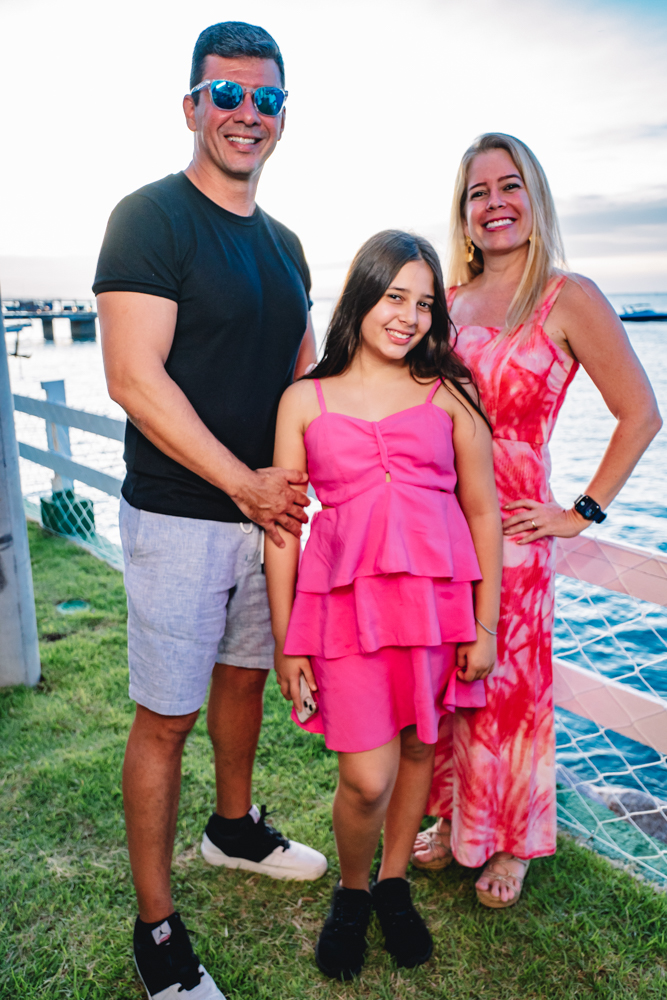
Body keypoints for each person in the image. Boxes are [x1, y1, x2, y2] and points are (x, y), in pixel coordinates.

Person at [94, 21, 327, 1000]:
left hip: (265, 518)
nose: (245, 113)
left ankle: (232, 829)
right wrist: (245, 481)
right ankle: (156, 929)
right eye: (226, 94)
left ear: (282, 117)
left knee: (243, 682)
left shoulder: (286, 245)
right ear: (192, 106)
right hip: (182, 515)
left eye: (264, 99)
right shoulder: (150, 218)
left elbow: (308, 375)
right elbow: (132, 376)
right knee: (166, 717)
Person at [412, 133, 662, 908]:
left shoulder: (567, 297)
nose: (494, 204)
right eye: (477, 192)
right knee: (448, 679)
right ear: (462, 212)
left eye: (508, 186)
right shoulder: (445, 302)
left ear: (534, 197)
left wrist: (580, 512)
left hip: (517, 534)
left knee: (508, 689)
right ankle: (452, 816)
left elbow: (640, 413)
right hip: (438, 527)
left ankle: (511, 840)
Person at [265, 230, 503, 980]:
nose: (409, 317)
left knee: (418, 750)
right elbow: (282, 529)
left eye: (425, 304)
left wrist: (485, 623)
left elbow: (484, 512)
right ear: (362, 295)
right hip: (347, 614)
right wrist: (287, 640)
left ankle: (393, 885)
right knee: (366, 778)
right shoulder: (303, 399)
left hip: (436, 609)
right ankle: (352, 890)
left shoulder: (450, 393)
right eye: (395, 297)